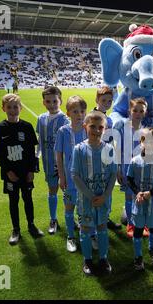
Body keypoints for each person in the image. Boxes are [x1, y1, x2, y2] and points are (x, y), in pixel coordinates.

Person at [0, 94, 44, 245]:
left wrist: (32, 171)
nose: (13, 110)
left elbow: (32, 151)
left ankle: (31, 225)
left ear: (21, 108)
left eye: (15, 107)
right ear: (3, 109)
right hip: (10, 174)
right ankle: (16, 229)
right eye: (9, 107)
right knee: (13, 201)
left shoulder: (26, 127)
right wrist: (8, 171)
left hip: (26, 172)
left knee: (28, 198)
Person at [71, 111, 118, 276]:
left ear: (105, 129)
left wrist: (105, 196)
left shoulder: (109, 149)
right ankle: (88, 259)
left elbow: (113, 174)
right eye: (93, 126)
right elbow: (75, 175)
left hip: (104, 199)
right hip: (86, 199)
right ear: (85, 126)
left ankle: (104, 258)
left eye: (100, 127)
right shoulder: (79, 149)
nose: (96, 130)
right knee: (85, 228)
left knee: (102, 227)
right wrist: (91, 197)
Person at [127, 128, 153, 270]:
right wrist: (138, 192)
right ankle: (138, 256)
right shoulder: (135, 161)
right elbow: (129, 179)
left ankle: (152, 248)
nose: (151, 144)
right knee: (138, 229)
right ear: (142, 142)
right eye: (147, 140)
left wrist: (150, 193)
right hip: (138, 204)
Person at [55, 96, 90, 252]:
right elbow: (59, 156)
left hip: (86, 179)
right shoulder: (63, 131)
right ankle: (70, 236)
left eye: (82, 111)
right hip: (69, 179)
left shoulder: (88, 130)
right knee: (69, 208)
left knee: (86, 209)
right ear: (68, 113)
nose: (79, 115)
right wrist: (61, 177)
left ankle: (90, 234)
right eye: (75, 111)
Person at [36, 86, 69, 235]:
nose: (52, 104)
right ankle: (53, 219)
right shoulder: (41, 119)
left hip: (64, 164)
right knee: (52, 191)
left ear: (60, 101)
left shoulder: (65, 120)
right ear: (44, 103)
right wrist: (37, 157)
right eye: (48, 101)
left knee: (68, 191)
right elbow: (40, 140)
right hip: (48, 163)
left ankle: (71, 217)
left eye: (55, 101)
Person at [113, 98, 148, 239]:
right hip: (126, 168)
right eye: (135, 110)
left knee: (140, 195)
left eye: (141, 111)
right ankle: (131, 223)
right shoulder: (123, 127)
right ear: (129, 111)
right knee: (129, 195)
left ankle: (140, 222)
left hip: (141, 168)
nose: (138, 113)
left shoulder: (145, 129)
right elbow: (118, 150)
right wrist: (118, 169)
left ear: (145, 113)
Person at [94, 86, 122, 230]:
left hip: (107, 160)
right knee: (94, 191)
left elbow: (111, 143)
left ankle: (105, 218)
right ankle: (93, 220)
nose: (107, 102)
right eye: (104, 100)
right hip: (94, 162)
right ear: (97, 100)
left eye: (110, 100)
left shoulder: (109, 119)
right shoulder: (91, 117)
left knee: (107, 190)